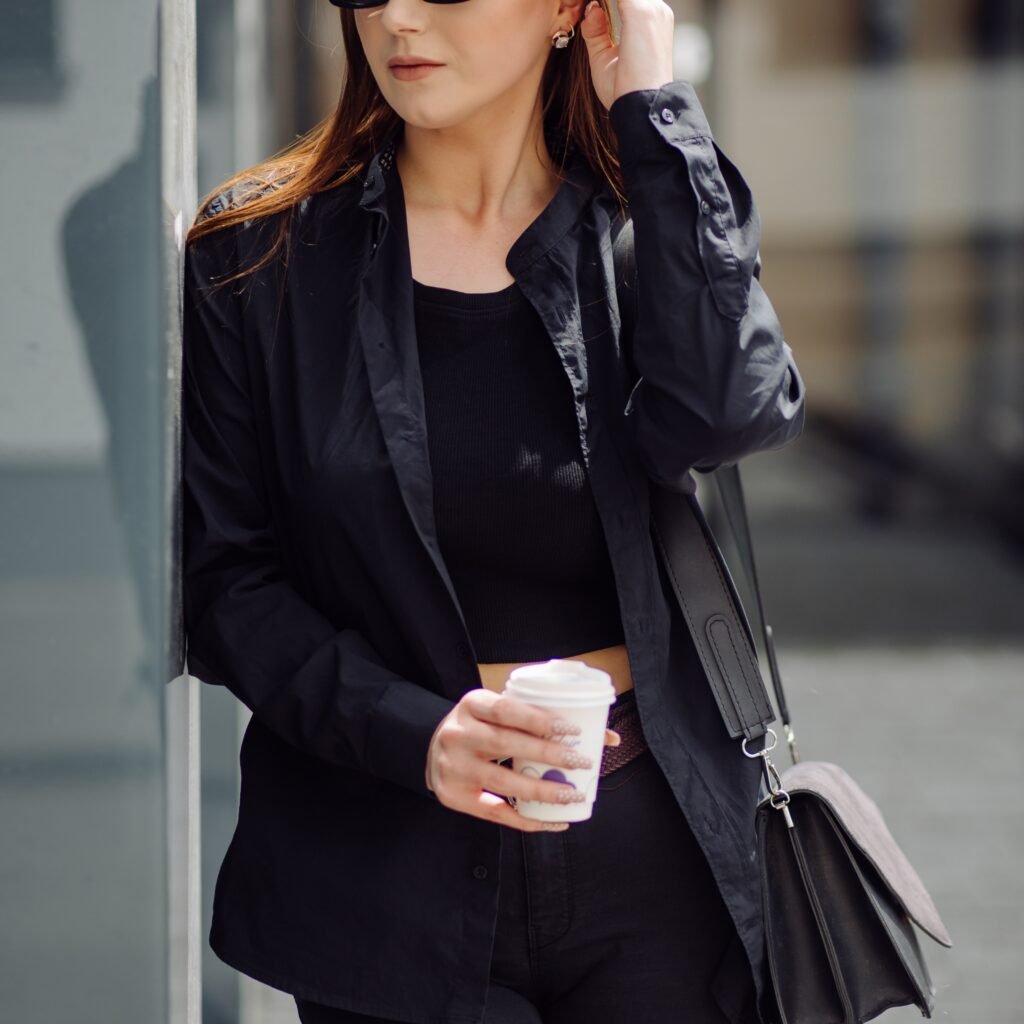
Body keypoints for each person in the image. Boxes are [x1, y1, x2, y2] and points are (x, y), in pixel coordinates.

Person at [180, 0, 806, 1021]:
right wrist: (415, 733)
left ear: (567, 9)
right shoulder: (256, 257)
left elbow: (730, 412)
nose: (398, 18)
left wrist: (653, 100)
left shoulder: (644, 227)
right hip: (383, 866)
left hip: (655, 861)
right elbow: (224, 585)